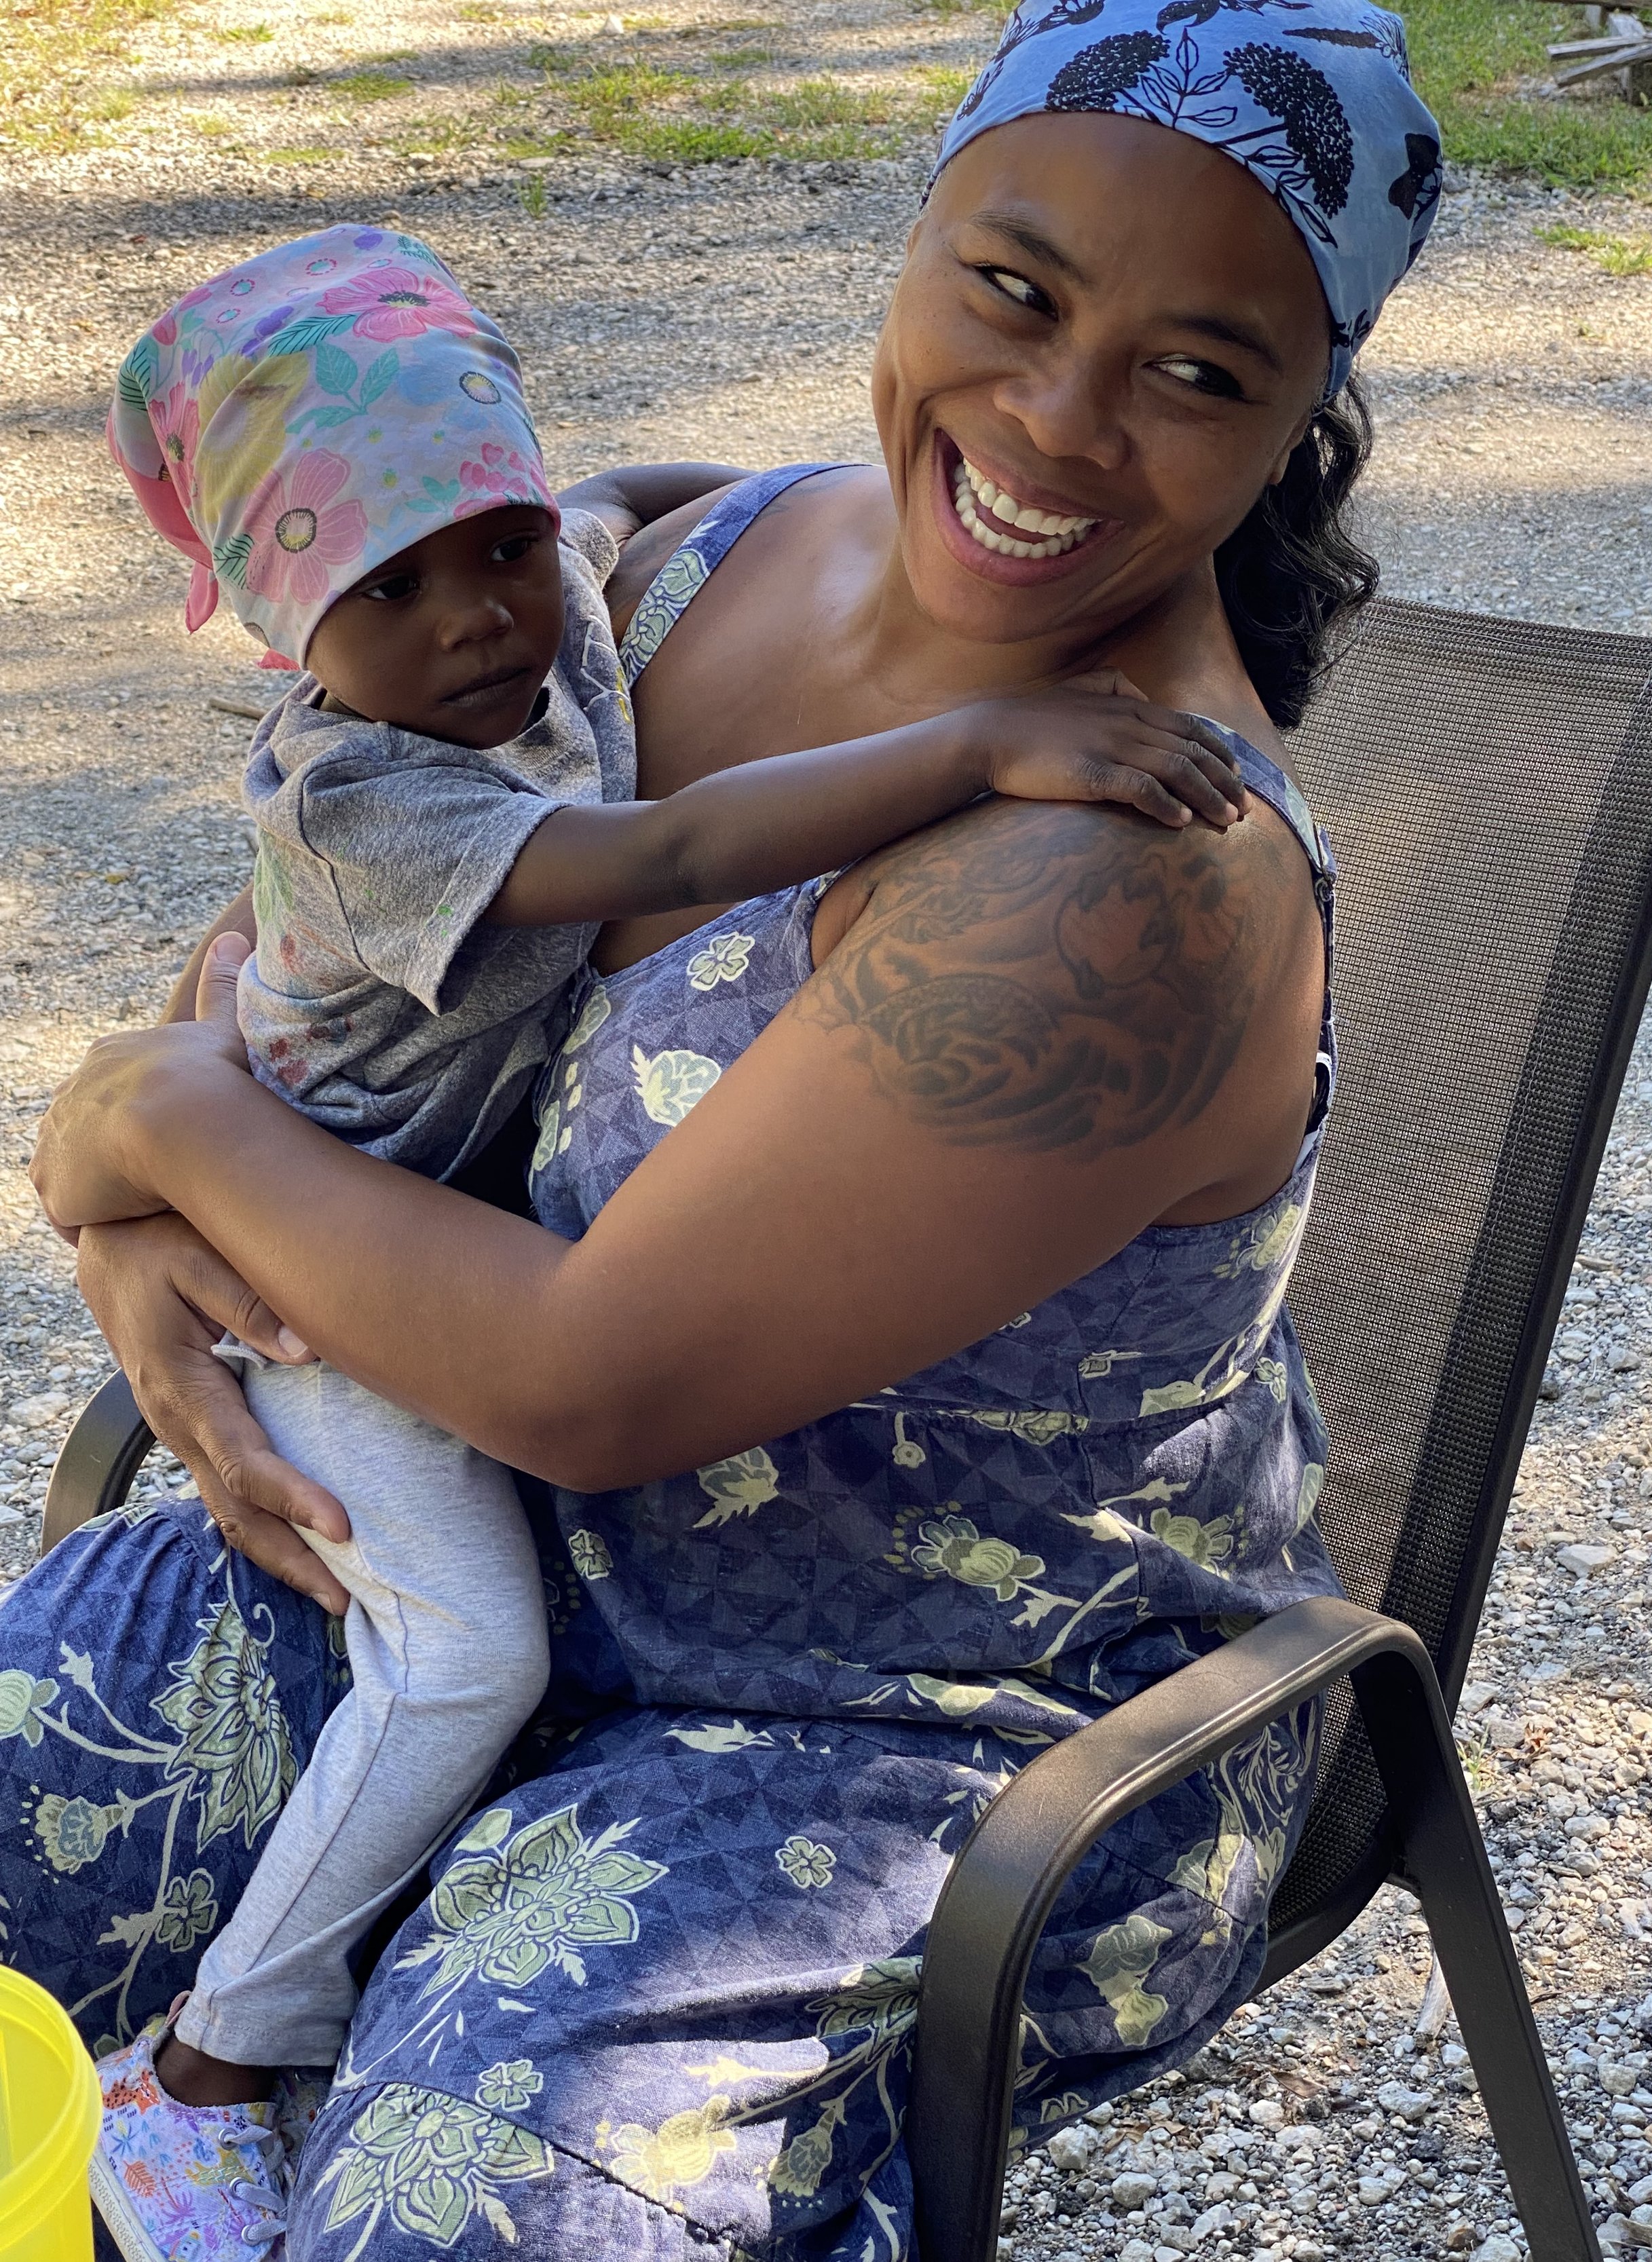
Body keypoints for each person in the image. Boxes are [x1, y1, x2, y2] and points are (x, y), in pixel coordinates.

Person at [12, 2, 1441, 2254]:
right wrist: (131, 1189)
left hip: (901, 1737)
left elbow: (588, 1379)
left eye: (1193, 370)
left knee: (438, 2220)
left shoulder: (1133, 880)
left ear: (1296, 416)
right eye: (1013, 288)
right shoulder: (684, 554)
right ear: (920, 235)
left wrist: (148, 1120)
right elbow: (299, 955)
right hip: (441, 1529)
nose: (1054, 419)